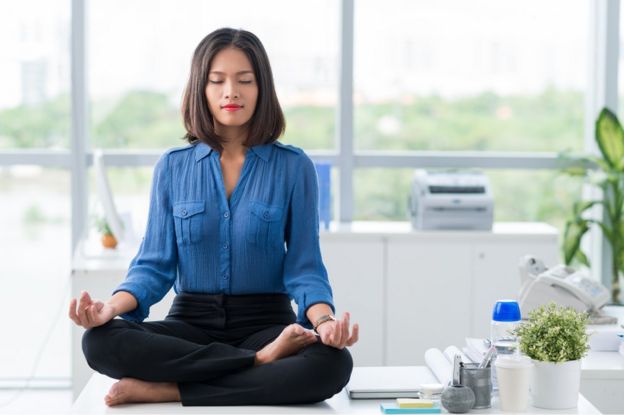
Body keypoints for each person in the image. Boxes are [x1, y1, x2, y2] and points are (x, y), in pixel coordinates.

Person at [68, 28, 358, 407]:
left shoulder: (293, 167)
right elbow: (153, 267)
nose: (231, 92)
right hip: (191, 322)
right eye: (217, 80)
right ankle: (258, 362)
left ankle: (170, 389)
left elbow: (304, 267)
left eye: (245, 81)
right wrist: (109, 307)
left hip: (267, 321)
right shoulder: (172, 167)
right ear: (200, 89)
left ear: (262, 88)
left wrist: (324, 323)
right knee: (99, 341)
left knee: (331, 364)